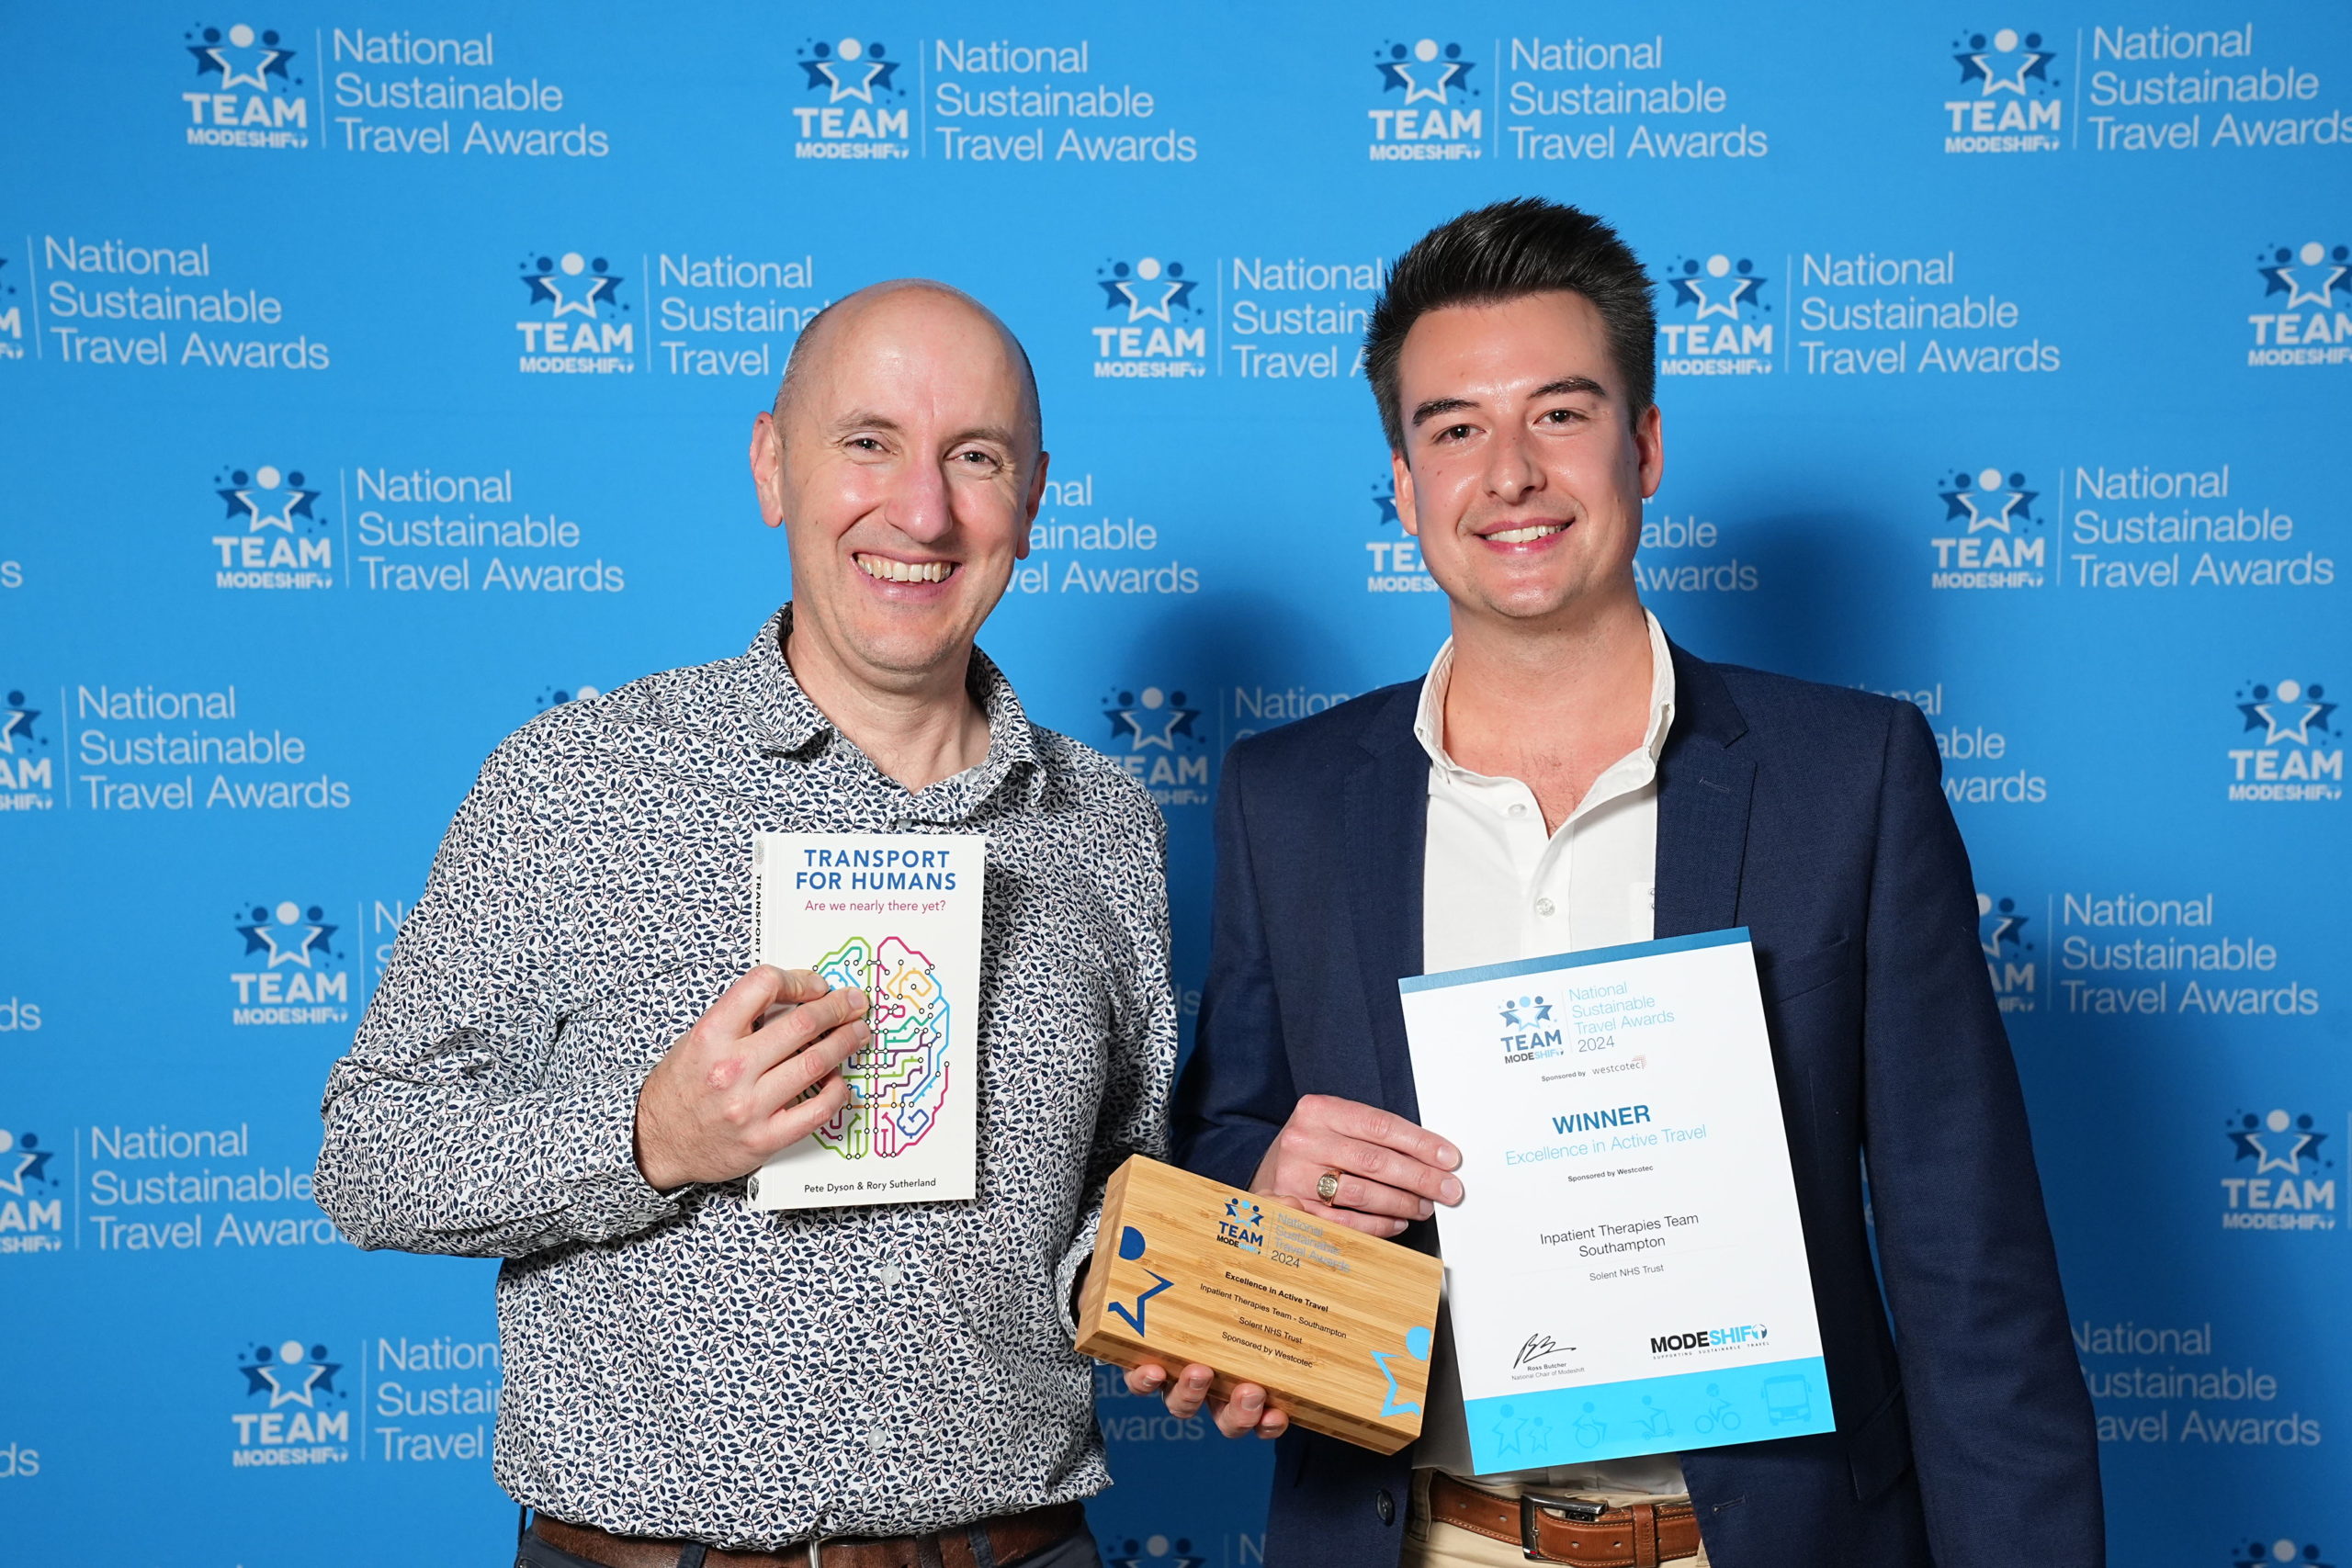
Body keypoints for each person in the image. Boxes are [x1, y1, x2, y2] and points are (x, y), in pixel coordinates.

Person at [1130, 200, 2101, 1567]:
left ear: (1643, 445)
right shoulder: (1287, 798)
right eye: (1455, 428)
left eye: (1561, 415)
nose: (1509, 473)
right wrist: (1266, 1196)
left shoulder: (1849, 778)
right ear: (1403, 485)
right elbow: (1228, 1141)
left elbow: (1972, 1272)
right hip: (1414, 1534)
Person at [316, 280, 1176, 1568]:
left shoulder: (1102, 823)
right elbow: (370, 1156)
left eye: (976, 459)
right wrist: (649, 1138)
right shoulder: (579, 779)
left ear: (1034, 497)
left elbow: (1121, 1186)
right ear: (774, 464)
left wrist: (1194, 1281)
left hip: (1018, 1548)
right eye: (868, 443)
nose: (924, 511)